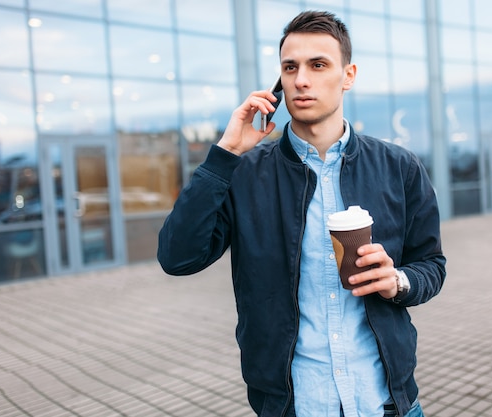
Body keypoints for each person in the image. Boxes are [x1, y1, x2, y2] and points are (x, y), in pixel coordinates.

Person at [158, 10, 446, 417]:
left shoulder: (398, 167)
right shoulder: (243, 174)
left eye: (318, 65)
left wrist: (397, 281)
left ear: (348, 75)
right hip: (292, 407)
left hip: (387, 403)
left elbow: (431, 264)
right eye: (290, 67)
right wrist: (223, 156)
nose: (301, 80)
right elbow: (177, 258)